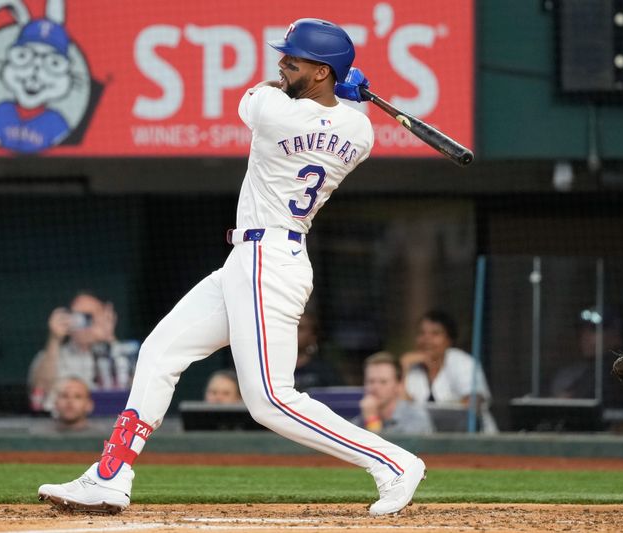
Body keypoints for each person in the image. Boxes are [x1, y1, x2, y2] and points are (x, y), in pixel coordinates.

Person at [37, 18, 426, 517]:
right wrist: (347, 93)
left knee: (270, 401)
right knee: (159, 351)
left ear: (324, 72)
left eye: (295, 60)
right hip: (252, 260)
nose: (282, 66)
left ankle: (391, 462)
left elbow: (262, 95)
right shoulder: (362, 131)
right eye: (284, 57)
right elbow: (328, 113)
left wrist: (338, 88)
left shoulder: (272, 110)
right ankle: (111, 475)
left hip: (269, 262)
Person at [28, 292, 130, 412]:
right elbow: (39, 398)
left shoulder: (123, 355)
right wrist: (54, 339)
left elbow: (130, 391)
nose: (80, 321)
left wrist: (109, 338)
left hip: (111, 425)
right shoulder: (51, 356)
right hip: (63, 427)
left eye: (88, 317)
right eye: (75, 315)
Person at [400, 310, 497, 433]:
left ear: (449, 340)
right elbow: (401, 409)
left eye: (435, 333)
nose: (426, 339)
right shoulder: (414, 369)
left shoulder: (462, 362)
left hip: (472, 440)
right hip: (427, 442)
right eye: (421, 333)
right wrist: (404, 368)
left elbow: (472, 405)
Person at [550, 306, 623, 409]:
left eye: (594, 330)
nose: (585, 336)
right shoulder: (583, 372)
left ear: (616, 336)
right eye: (583, 331)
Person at [353, 352, 433, 435]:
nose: (375, 387)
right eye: (371, 381)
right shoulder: (357, 422)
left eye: (383, 382)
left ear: (398, 385)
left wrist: (372, 420)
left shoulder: (416, 419)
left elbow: (383, 447)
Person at [294, 311, 344, 391]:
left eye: (300, 328)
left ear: (312, 337)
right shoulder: (272, 366)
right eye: (291, 327)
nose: (293, 332)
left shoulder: (325, 370)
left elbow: (338, 397)